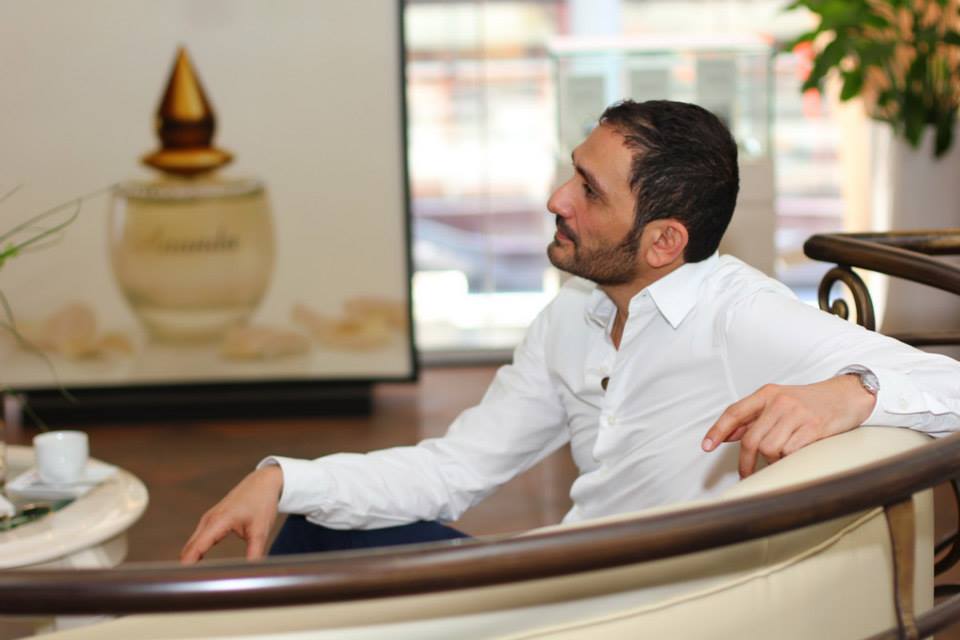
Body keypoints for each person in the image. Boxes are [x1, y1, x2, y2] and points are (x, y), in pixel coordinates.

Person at [181, 100, 960, 563]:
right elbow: (457, 469)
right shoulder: (572, 317)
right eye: (571, 172)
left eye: (588, 190)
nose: (558, 198)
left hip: (634, 613)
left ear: (664, 242)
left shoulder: (737, 316)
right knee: (315, 525)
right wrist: (286, 477)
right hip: (559, 582)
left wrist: (851, 392)